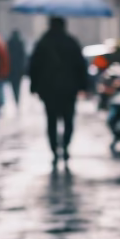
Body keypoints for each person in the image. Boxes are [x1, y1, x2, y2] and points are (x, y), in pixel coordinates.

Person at [28, 16, 88, 167]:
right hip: (69, 89)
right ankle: (66, 147)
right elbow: (81, 65)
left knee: (51, 121)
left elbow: (34, 67)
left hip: (48, 90)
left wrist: (34, 87)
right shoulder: (71, 42)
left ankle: (54, 150)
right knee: (68, 120)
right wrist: (83, 86)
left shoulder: (43, 43)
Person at [7, 30, 27, 107]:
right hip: (17, 70)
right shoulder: (20, 43)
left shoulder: (10, 43)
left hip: (12, 69)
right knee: (17, 86)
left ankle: (16, 99)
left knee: (14, 86)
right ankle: (17, 99)